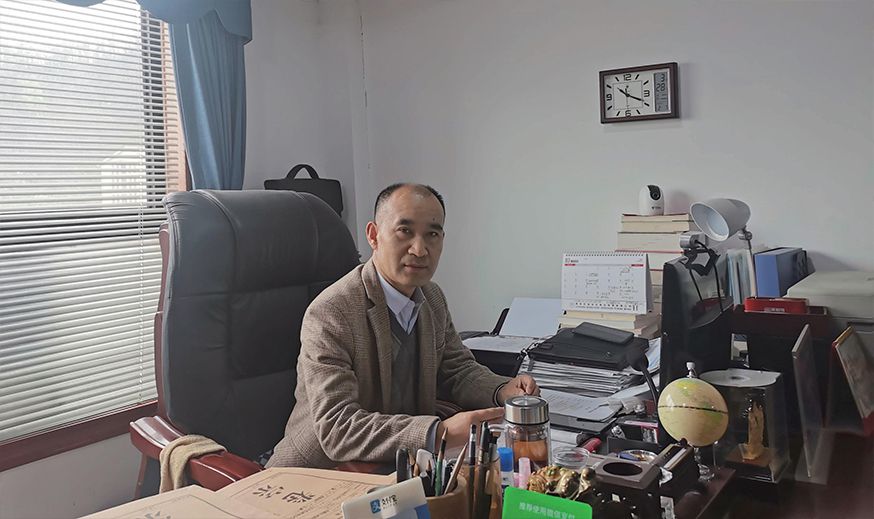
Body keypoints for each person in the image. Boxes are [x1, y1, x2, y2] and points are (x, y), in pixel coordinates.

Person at [267, 183, 539, 468]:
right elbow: (338, 427)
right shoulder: (332, 313)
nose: (419, 250)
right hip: (318, 472)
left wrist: (502, 389)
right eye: (404, 231)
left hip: (399, 466)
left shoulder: (432, 297)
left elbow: (457, 369)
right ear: (373, 235)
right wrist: (438, 433)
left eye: (432, 234)